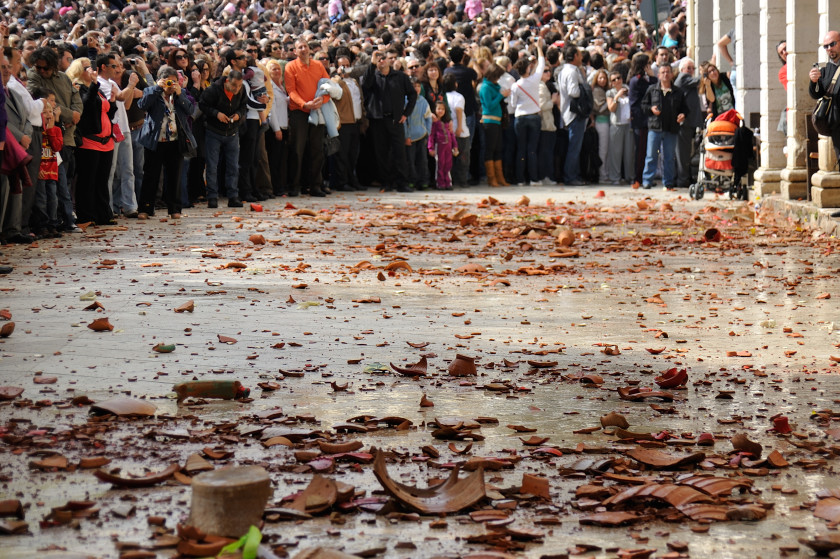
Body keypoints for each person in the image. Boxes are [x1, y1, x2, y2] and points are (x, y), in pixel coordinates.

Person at [27, 47, 82, 233]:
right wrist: (69, 114)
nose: (41, 71)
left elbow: (76, 99)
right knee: (46, 191)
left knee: (63, 186)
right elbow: (43, 103)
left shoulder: (63, 78)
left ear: (53, 66)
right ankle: (49, 222)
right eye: (38, 68)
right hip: (44, 140)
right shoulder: (34, 77)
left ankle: (64, 220)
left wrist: (75, 114)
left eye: (45, 68)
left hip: (65, 137)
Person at [136, 66, 196, 220]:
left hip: (175, 140)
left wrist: (179, 93)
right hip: (155, 140)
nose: (171, 85)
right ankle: (145, 208)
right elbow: (142, 105)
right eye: (168, 82)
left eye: (174, 81)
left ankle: (174, 209)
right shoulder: (152, 91)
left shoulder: (181, 94)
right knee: (151, 175)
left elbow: (190, 110)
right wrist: (157, 88)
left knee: (174, 176)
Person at [361, 47, 417, 193]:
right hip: (378, 120)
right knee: (381, 153)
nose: (381, 61)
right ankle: (386, 182)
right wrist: (372, 64)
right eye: (378, 59)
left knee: (400, 152)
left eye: (383, 58)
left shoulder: (400, 77)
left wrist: (406, 113)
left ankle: (402, 182)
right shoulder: (372, 76)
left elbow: (412, 95)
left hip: (395, 120)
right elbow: (365, 85)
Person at [70, 55, 116, 226]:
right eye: (86, 67)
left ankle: (103, 214)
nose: (91, 70)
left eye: (91, 66)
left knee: (102, 180)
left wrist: (112, 101)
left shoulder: (96, 88)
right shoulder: (78, 88)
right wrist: (94, 86)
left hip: (106, 142)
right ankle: (87, 216)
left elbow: (107, 112)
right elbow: (85, 106)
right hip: (90, 142)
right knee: (87, 180)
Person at [285, 38, 330, 197]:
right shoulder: (290, 66)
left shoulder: (318, 65)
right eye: (300, 47)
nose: (303, 49)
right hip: (299, 112)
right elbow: (291, 91)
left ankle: (315, 186)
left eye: (305, 46)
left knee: (317, 149)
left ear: (310, 49)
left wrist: (321, 101)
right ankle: (294, 186)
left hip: (317, 110)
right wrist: (305, 104)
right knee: (297, 150)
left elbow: (328, 86)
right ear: (295, 51)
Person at [199, 69, 247, 208]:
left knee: (233, 166)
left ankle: (233, 196)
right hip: (214, 131)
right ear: (227, 81)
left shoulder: (241, 90)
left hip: (232, 132)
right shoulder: (213, 89)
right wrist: (216, 113)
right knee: (212, 166)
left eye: (239, 85)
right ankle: (212, 197)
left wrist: (238, 114)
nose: (236, 89)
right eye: (233, 85)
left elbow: (244, 106)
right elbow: (202, 104)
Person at [641, 64, 687, 190]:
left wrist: (682, 115)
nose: (666, 74)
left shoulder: (678, 92)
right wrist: (651, 109)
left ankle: (668, 182)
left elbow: (685, 109)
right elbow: (643, 106)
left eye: (668, 72)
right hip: (655, 128)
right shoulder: (652, 90)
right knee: (651, 156)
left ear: (672, 74)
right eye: (663, 72)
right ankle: (647, 181)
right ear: (658, 75)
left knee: (669, 158)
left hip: (671, 129)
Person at [332, 53, 364, 192]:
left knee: (353, 154)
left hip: (355, 121)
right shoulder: (335, 81)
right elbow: (334, 92)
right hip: (343, 122)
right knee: (342, 154)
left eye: (347, 65)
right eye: (341, 66)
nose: (345, 68)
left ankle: (352, 180)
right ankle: (341, 181)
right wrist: (338, 75)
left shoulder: (355, 81)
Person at [557, 44, 587, 186]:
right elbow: (573, 91)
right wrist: (585, 90)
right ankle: (570, 176)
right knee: (574, 147)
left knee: (574, 147)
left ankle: (572, 174)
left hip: (569, 113)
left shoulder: (565, 70)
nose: (581, 57)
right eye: (579, 54)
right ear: (575, 56)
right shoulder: (572, 72)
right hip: (574, 114)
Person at [809, 30, 840, 164]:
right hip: (837, 125)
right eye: (825, 46)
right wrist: (813, 81)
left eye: (832, 44)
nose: (829, 49)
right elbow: (817, 94)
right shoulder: (825, 70)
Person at [628, 52, 657, 188]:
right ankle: (637, 177)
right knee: (640, 151)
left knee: (645, 150)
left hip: (645, 120)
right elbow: (653, 89)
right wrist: (652, 78)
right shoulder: (638, 80)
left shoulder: (640, 79)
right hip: (641, 121)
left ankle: (642, 176)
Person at [478, 63, 509, 187]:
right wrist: (501, 95)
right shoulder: (485, 87)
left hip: (497, 121)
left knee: (498, 149)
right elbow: (489, 105)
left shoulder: (496, 87)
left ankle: (499, 177)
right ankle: (492, 178)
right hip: (489, 121)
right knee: (490, 149)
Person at [674, 58, 701, 189]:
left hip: (688, 123)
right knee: (682, 154)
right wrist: (706, 71)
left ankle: (685, 177)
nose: (691, 71)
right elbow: (699, 80)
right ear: (682, 69)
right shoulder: (683, 78)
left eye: (693, 68)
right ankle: (682, 179)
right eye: (688, 68)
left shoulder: (686, 79)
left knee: (686, 153)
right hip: (683, 123)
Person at [605, 71, 634, 185]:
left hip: (628, 124)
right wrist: (617, 97)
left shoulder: (629, 90)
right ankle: (615, 177)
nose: (617, 81)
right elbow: (611, 108)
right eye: (614, 80)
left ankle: (629, 176)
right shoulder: (610, 93)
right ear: (611, 83)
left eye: (618, 78)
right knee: (615, 153)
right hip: (616, 125)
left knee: (629, 153)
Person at [404, 78, 432, 190]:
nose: (416, 89)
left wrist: (427, 132)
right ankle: (411, 181)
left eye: (418, 86)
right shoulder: (405, 102)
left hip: (421, 135)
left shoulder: (423, 101)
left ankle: (423, 181)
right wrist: (406, 136)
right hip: (410, 137)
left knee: (422, 160)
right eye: (414, 86)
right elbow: (404, 121)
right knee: (410, 160)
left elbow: (428, 117)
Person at [443, 73, 470, 187]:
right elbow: (459, 111)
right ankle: (462, 180)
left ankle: (451, 179)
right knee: (463, 157)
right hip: (461, 131)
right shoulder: (458, 97)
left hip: (447, 131)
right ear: (456, 84)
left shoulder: (443, 96)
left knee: (450, 158)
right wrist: (459, 127)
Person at [427, 100, 458, 190]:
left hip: (448, 147)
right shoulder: (434, 123)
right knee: (440, 164)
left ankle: (448, 182)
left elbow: (452, 135)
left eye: (443, 109)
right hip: (439, 146)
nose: (440, 111)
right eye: (438, 109)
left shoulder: (447, 123)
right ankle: (440, 183)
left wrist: (455, 146)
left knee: (448, 164)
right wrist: (430, 148)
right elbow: (431, 135)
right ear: (435, 110)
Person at [590, 69, 611, 183]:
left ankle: (605, 173)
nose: (602, 80)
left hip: (607, 122)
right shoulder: (597, 91)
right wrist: (610, 101)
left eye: (604, 78)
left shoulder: (605, 90)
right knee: (603, 150)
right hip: (601, 122)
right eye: (600, 78)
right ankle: (603, 175)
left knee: (607, 149)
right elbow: (598, 108)